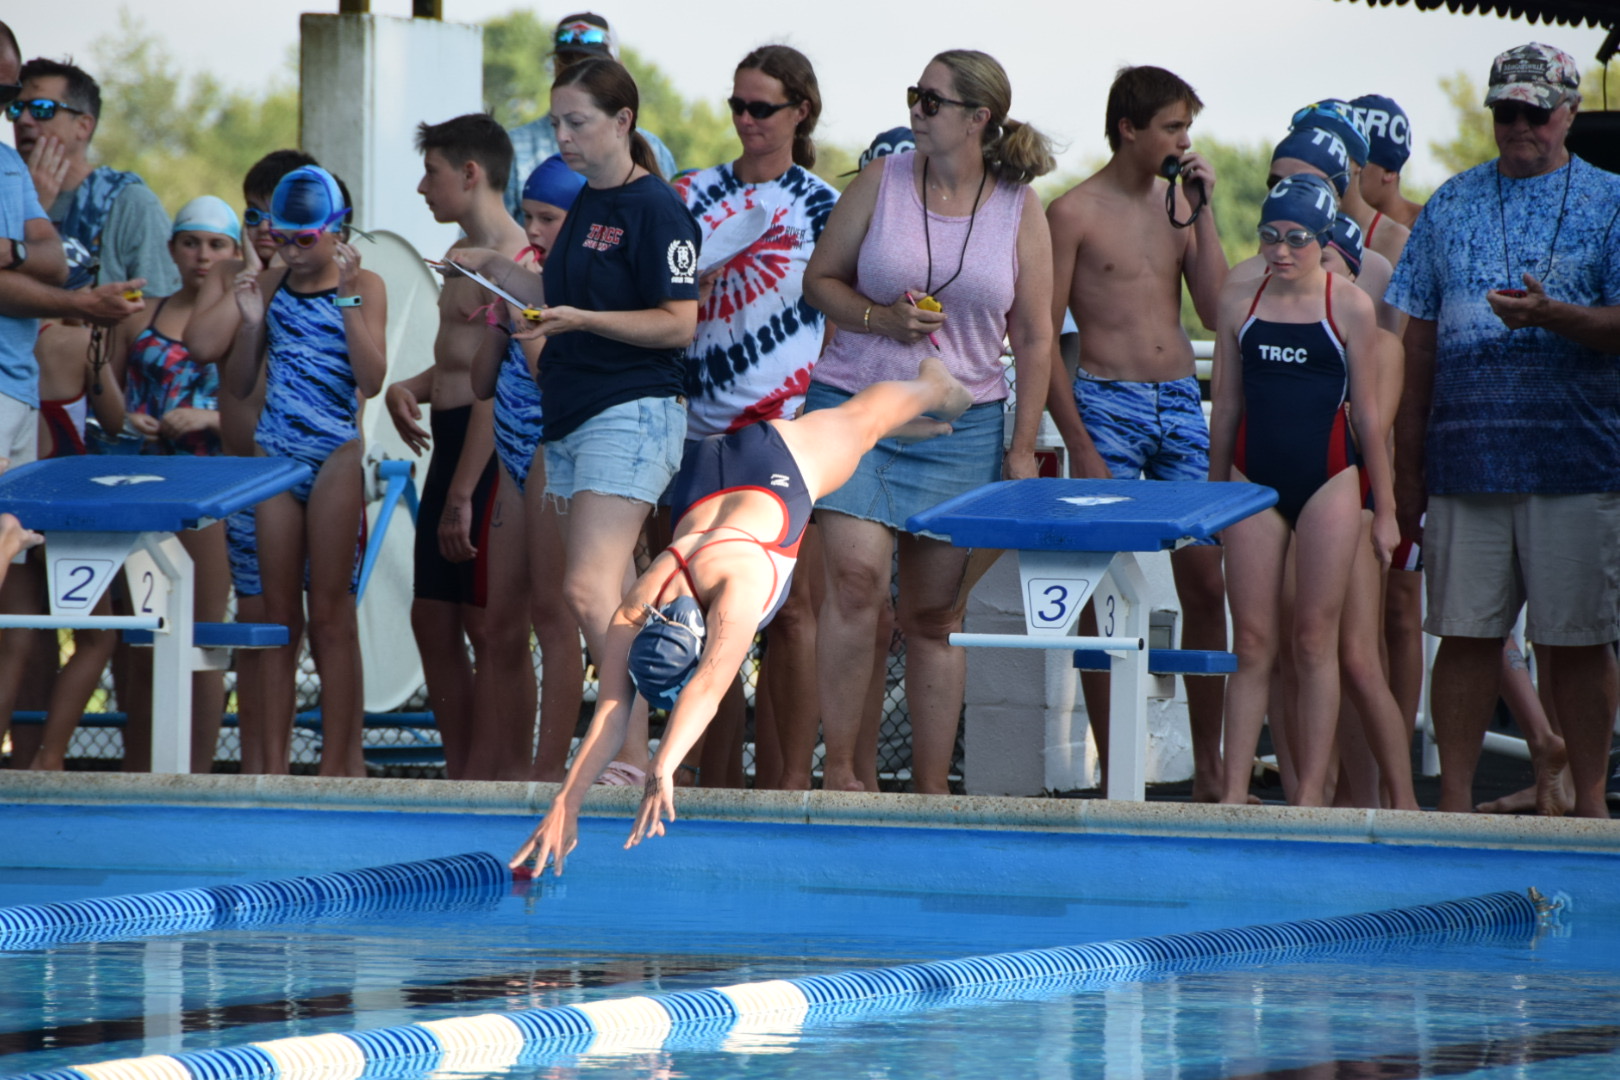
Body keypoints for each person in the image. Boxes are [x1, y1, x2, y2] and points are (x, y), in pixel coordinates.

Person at [510, 358, 972, 874]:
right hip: (712, 472)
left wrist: (662, 766)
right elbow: (613, 709)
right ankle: (910, 422)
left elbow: (706, 689)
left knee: (869, 420)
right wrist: (566, 802)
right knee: (859, 425)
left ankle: (935, 385)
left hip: (781, 466)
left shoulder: (736, 588)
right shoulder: (646, 596)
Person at [802, 50, 1054, 795]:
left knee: (935, 615)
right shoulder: (882, 181)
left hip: (962, 423)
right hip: (856, 407)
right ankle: (845, 775)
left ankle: (931, 791)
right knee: (854, 581)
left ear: (979, 119)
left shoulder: (1020, 206)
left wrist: (1021, 448)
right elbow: (819, 282)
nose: (917, 109)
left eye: (932, 100)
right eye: (915, 96)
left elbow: (1036, 336)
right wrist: (880, 318)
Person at [1387, 43, 1620, 819]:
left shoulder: (1612, 200)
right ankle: (1453, 809)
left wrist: (1552, 314)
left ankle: (1589, 808)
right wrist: (1406, 471)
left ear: (1570, 111)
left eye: (1534, 110)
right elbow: (1414, 342)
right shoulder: (1450, 203)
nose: (1518, 124)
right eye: (1504, 111)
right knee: (1465, 637)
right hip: (1465, 464)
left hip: (1577, 463)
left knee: (1578, 643)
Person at [480, 58, 700, 788]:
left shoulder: (655, 209)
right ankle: (630, 744)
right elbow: (554, 295)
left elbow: (678, 324)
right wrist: (490, 267)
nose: (563, 138)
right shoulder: (589, 207)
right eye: (556, 125)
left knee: (586, 588)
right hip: (574, 417)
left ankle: (630, 750)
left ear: (623, 123)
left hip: (629, 412)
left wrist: (583, 319)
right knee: (611, 592)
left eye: (577, 123)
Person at [1043, 65, 1229, 800]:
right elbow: (1043, 340)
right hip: (1106, 404)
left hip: (1182, 401)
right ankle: (1119, 773)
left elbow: (1216, 313)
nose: (1185, 141)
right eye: (1173, 127)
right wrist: (1078, 442)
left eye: (1188, 128)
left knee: (1206, 579)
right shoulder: (1073, 213)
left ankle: (1212, 769)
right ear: (1130, 128)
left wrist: (1204, 214)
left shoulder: (1178, 207)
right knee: (1102, 586)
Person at [673, 44, 838, 790]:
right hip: (695, 424)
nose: (745, 121)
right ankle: (713, 786)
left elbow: (846, 314)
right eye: (736, 106)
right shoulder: (691, 193)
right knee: (706, 616)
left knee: (793, 615)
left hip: (784, 428)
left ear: (801, 112)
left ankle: (788, 787)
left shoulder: (828, 207)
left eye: (761, 108)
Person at [1207, 174, 1395, 807]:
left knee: (1316, 641)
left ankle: (1310, 797)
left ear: (1322, 242)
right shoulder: (1241, 302)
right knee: (1254, 642)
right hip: (1251, 477)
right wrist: (1212, 502)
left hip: (1332, 480)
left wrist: (1387, 510)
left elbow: (1368, 418)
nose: (1280, 251)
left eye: (1295, 239)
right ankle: (1234, 796)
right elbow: (1226, 408)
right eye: (1269, 236)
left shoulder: (1350, 307)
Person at [381, 114, 534, 781]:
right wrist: (405, 387)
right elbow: (458, 359)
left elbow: (495, 389)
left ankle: (500, 774)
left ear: (470, 174)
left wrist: (464, 494)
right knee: (432, 620)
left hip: (488, 454)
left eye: (432, 172)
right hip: (447, 446)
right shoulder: (462, 257)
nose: (421, 187)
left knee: (493, 629)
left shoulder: (515, 264)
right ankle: (463, 768)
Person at [226, 165, 387, 778]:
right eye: (282, 238)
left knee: (329, 615)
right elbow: (242, 383)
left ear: (337, 232)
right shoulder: (268, 286)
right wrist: (248, 322)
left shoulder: (365, 284)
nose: (290, 251)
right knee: (275, 618)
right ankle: (268, 769)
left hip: (336, 457)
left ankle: (338, 768)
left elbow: (372, 379)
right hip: (276, 457)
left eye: (304, 240)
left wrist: (345, 297)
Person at [449, 155, 587, 782]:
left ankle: (548, 766)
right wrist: (500, 324)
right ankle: (498, 768)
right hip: (510, 462)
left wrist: (525, 323)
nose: (532, 229)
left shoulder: (581, 287)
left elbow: (549, 375)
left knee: (554, 618)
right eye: (528, 216)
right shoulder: (520, 281)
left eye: (548, 218)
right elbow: (481, 383)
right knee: (499, 622)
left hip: (554, 459)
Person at [183, 149, 318, 775]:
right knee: (255, 624)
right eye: (253, 214)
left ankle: (282, 768)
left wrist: (277, 271)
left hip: (293, 476)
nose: (265, 227)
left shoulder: (314, 276)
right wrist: (256, 273)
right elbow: (201, 343)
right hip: (239, 481)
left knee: (294, 625)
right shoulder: (234, 274)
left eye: (276, 214)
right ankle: (257, 766)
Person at [98, 196, 241, 771]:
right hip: (144, 481)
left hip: (210, 485)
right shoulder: (140, 315)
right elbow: (105, 398)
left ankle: (197, 774)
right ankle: (138, 771)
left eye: (216, 244)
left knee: (201, 639)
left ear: (235, 252)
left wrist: (210, 419)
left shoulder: (244, 317)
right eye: (191, 242)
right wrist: (129, 418)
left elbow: (263, 408)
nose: (202, 256)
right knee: (139, 636)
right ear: (171, 248)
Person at [9, 57, 178, 295]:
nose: (24, 120)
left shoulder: (130, 202)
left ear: (84, 125)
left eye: (42, 109)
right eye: (15, 108)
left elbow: (161, 305)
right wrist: (34, 208)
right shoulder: (6, 195)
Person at [502, 12, 677, 220]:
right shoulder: (511, 147)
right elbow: (487, 238)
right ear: (555, 67)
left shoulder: (653, 148)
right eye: (566, 62)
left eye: (593, 66)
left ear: (619, 70)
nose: (578, 73)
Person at [1349, 94, 1422, 229]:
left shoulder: (1432, 227)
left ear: (1389, 171)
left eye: (1354, 161)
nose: (1340, 170)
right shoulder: (1324, 225)